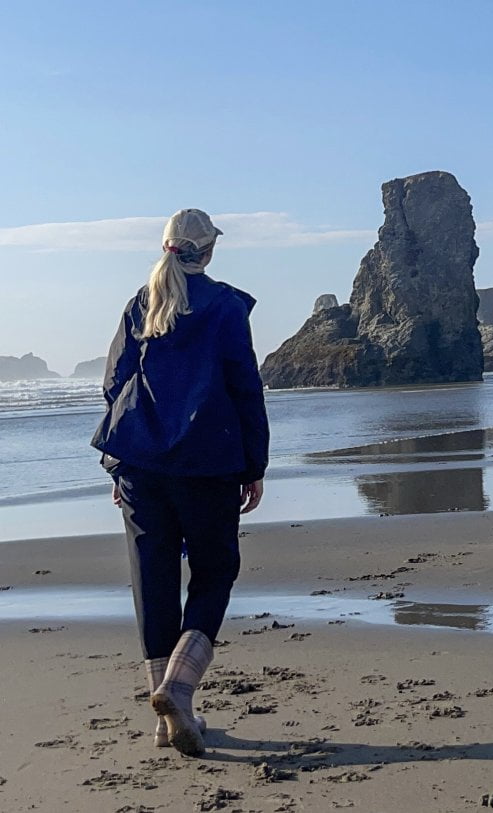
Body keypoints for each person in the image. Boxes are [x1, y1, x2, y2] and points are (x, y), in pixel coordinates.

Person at [91, 208, 270, 757]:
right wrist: (254, 466)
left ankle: (165, 712)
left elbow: (114, 386)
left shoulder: (140, 303)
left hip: (142, 464)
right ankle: (179, 689)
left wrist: (117, 466)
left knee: (154, 578)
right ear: (209, 251)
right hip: (208, 462)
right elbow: (245, 389)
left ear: (167, 246)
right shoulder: (224, 307)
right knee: (216, 570)